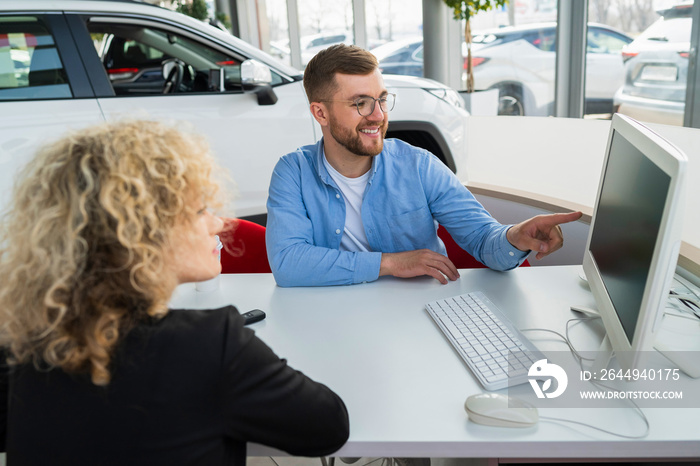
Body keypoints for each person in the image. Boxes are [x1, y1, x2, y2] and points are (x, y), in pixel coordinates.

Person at [0, 121, 349, 464]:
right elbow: (329, 427)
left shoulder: (20, 344)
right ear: (143, 234)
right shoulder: (210, 344)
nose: (217, 224)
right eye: (199, 211)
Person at [266, 44, 582, 287]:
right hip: (335, 319)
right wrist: (390, 263)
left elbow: (484, 241)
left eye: (382, 99)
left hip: (421, 313)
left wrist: (514, 236)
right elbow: (288, 263)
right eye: (360, 103)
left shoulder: (418, 165)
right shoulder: (292, 172)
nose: (377, 115)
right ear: (320, 113)